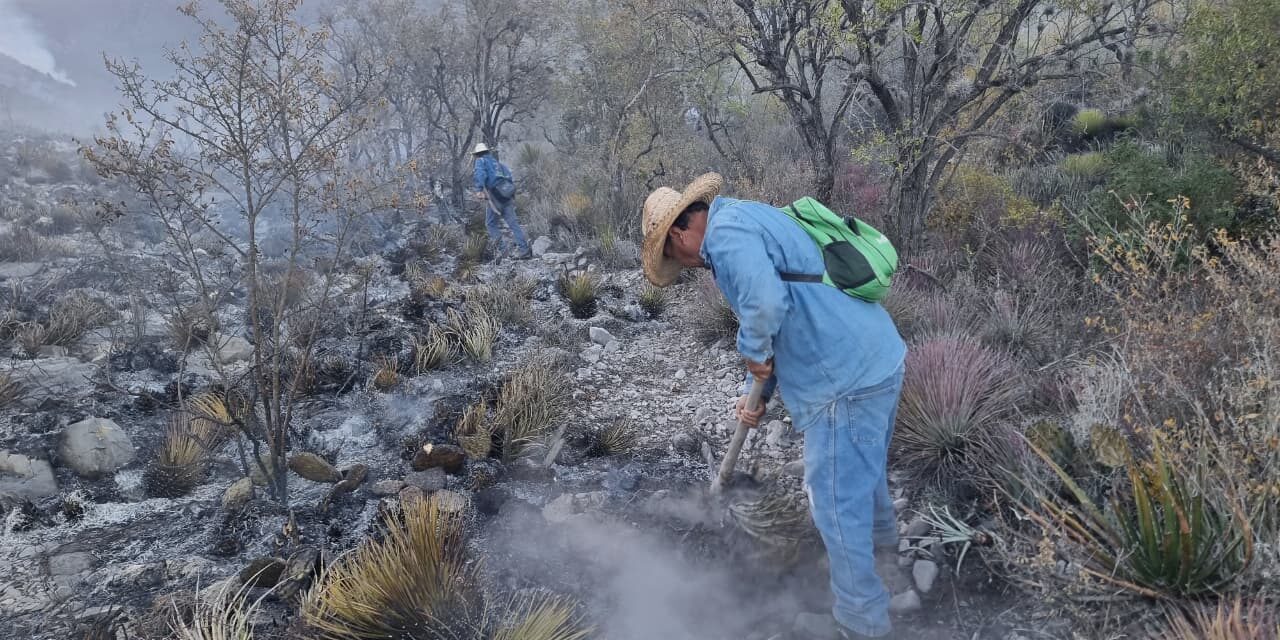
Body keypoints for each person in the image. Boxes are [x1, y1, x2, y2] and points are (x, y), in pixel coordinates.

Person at [640, 173, 908, 640]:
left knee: (835, 504)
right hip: (878, 360)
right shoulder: (744, 216)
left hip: (842, 382)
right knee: (865, 476)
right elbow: (789, 307)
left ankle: (862, 620)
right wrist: (754, 392)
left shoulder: (723, 240)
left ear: (680, 234)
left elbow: (765, 306)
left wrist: (752, 353)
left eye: (674, 258)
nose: (684, 265)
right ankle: (886, 563)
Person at [471, 142, 532, 260]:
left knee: (490, 224)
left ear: (477, 154)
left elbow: (480, 174)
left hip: (495, 197)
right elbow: (509, 176)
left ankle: (504, 251)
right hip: (506, 196)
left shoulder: (481, 161)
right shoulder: (497, 163)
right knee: (513, 224)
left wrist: (479, 189)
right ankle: (524, 250)